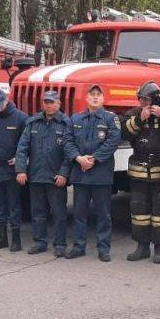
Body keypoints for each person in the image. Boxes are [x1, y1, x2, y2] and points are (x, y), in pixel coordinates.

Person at [64, 85, 121, 261]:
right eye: (92, 95)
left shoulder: (111, 119)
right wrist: (79, 159)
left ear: (103, 99)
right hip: (80, 175)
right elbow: (67, 141)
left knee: (103, 215)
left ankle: (103, 249)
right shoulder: (75, 119)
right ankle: (79, 247)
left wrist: (94, 159)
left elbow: (112, 143)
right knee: (79, 215)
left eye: (99, 95)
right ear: (87, 98)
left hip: (100, 176)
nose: (95, 98)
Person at [122, 81, 160, 263]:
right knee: (139, 212)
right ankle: (142, 247)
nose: (143, 104)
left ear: (156, 100)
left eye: (147, 101)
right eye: (141, 100)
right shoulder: (134, 114)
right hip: (138, 173)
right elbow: (123, 133)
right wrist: (139, 120)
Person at [16, 90, 71, 257]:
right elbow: (22, 148)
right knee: (38, 213)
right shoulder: (33, 123)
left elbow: (70, 152)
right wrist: (20, 170)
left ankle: (60, 244)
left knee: (59, 213)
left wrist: (64, 173)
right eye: (46, 102)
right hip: (35, 176)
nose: (48, 105)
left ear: (59, 104)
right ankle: (40, 242)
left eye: (52, 102)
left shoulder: (66, 124)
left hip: (56, 179)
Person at [0, 88, 28, 251]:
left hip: (11, 170)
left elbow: (27, 143)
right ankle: (2, 238)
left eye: (0, 104)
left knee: (14, 205)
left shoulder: (21, 118)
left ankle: (16, 239)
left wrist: (20, 159)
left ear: (7, 100)